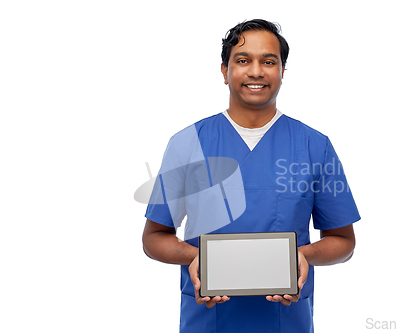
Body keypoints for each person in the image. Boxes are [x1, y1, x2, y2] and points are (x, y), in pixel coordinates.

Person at [142, 19, 361, 333]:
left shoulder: (314, 145)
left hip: (286, 321)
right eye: (243, 60)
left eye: (268, 61)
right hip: (207, 321)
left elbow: (343, 242)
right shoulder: (187, 142)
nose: (256, 71)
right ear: (224, 70)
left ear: (282, 71)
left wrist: (300, 257)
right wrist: (199, 258)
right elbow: (153, 238)